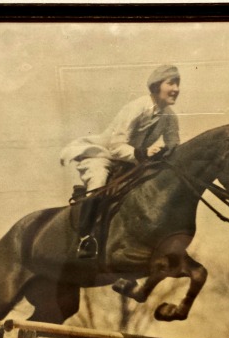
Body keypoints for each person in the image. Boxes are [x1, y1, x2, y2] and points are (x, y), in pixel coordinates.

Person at [60, 64, 181, 259]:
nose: (176, 89)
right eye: (171, 83)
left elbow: (175, 145)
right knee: (98, 182)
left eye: (178, 83)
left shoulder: (169, 116)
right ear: (157, 85)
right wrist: (144, 153)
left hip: (132, 161)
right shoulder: (136, 108)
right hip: (102, 154)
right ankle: (85, 238)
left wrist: (167, 153)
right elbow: (116, 146)